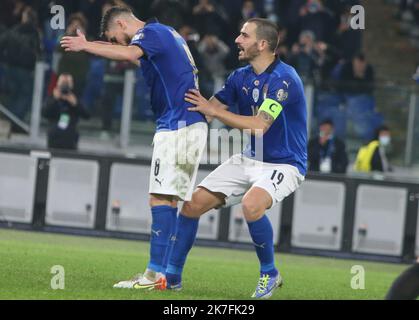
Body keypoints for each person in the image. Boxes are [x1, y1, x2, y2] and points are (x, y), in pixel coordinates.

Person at [61, 6, 208, 290]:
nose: (117, 43)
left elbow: (130, 54)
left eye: (114, 37)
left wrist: (85, 45)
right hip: (185, 123)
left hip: (179, 124)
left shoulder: (149, 33)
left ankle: (153, 276)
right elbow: (140, 61)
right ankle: (166, 276)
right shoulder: (167, 33)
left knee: (160, 198)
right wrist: (96, 46)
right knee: (169, 199)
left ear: (120, 23)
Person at [164, 18, 307, 299]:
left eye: (244, 35)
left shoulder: (284, 79)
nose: (237, 40)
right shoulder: (239, 77)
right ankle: (171, 278)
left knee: (252, 205)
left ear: (262, 44)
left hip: (285, 163)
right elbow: (207, 109)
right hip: (249, 158)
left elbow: (259, 125)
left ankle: (270, 273)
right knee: (191, 206)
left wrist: (213, 112)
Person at [42, 73, 90, 150]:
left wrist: (76, 104)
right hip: (54, 136)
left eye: (67, 83)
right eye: (63, 82)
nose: (65, 85)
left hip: (70, 136)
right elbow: (44, 113)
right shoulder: (52, 97)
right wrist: (54, 99)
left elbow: (87, 115)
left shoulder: (76, 98)